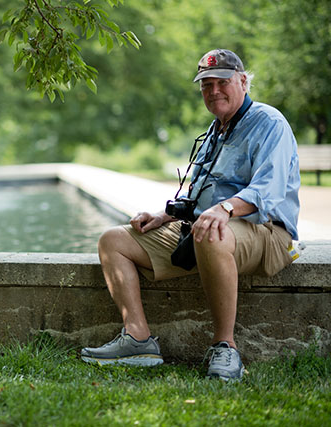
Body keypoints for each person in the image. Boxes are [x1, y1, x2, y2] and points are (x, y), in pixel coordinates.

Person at [80, 49, 300, 381]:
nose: (214, 92)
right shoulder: (217, 129)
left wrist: (224, 209)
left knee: (209, 231)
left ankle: (225, 346)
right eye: (206, 85)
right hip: (206, 230)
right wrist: (164, 215)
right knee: (113, 240)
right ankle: (138, 340)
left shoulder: (269, 122)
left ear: (242, 80)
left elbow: (267, 191)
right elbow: (197, 190)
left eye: (222, 82)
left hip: (266, 232)